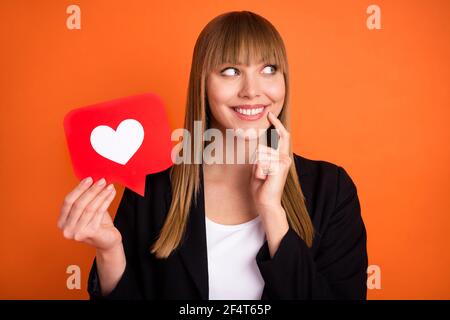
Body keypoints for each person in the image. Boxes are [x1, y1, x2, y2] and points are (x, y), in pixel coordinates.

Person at [57, 10, 368, 300]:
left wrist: (273, 212)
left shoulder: (332, 188)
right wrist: (110, 250)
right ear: (202, 84)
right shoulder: (154, 187)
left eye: (268, 69)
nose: (251, 90)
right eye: (231, 71)